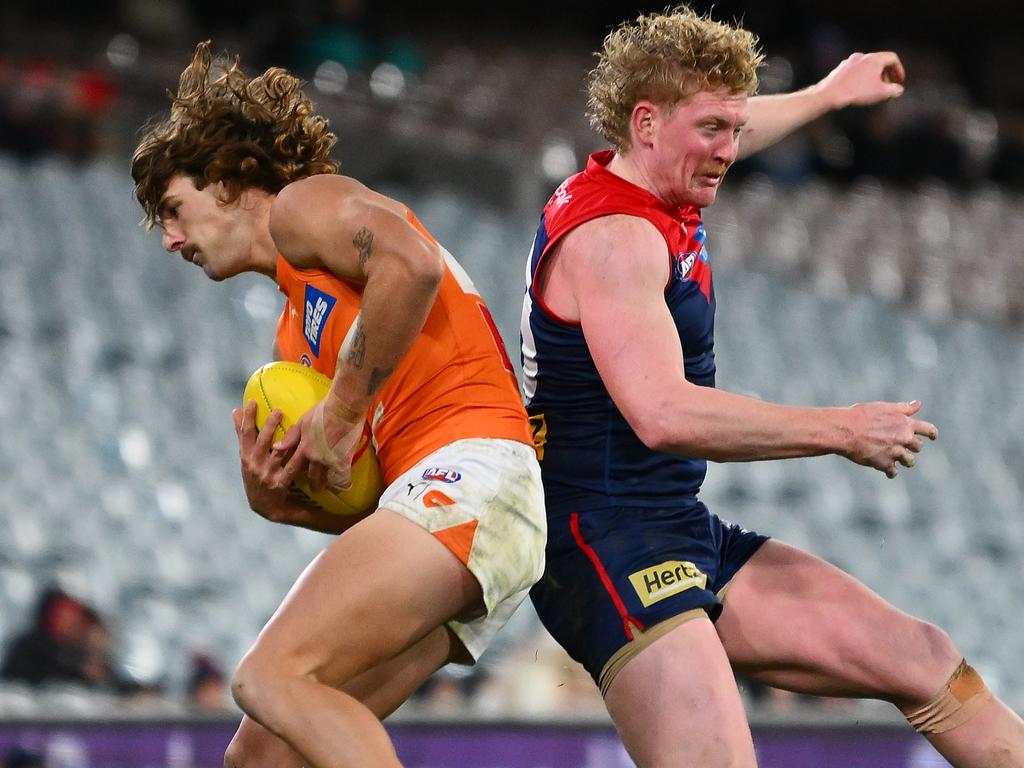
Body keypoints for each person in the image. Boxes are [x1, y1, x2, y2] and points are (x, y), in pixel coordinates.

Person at [520, 7, 1024, 767]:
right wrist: (842, 431)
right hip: (604, 545)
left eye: (734, 127)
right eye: (712, 131)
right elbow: (662, 414)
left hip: (675, 528)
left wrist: (829, 92)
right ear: (647, 122)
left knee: (924, 660)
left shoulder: (652, 175)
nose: (729, 149)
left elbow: (739, 123)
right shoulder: (615, 240)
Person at [131, 42, 545, 767]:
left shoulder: (302, 206)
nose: (170, 239)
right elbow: (376, 498)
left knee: (268, 676)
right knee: (263, 756)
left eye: (173, 208)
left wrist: (344, 409)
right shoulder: (294, 333)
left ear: (228, 180)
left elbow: (411, 263)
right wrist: (281, 502)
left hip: (475, 471)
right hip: (463, 505)